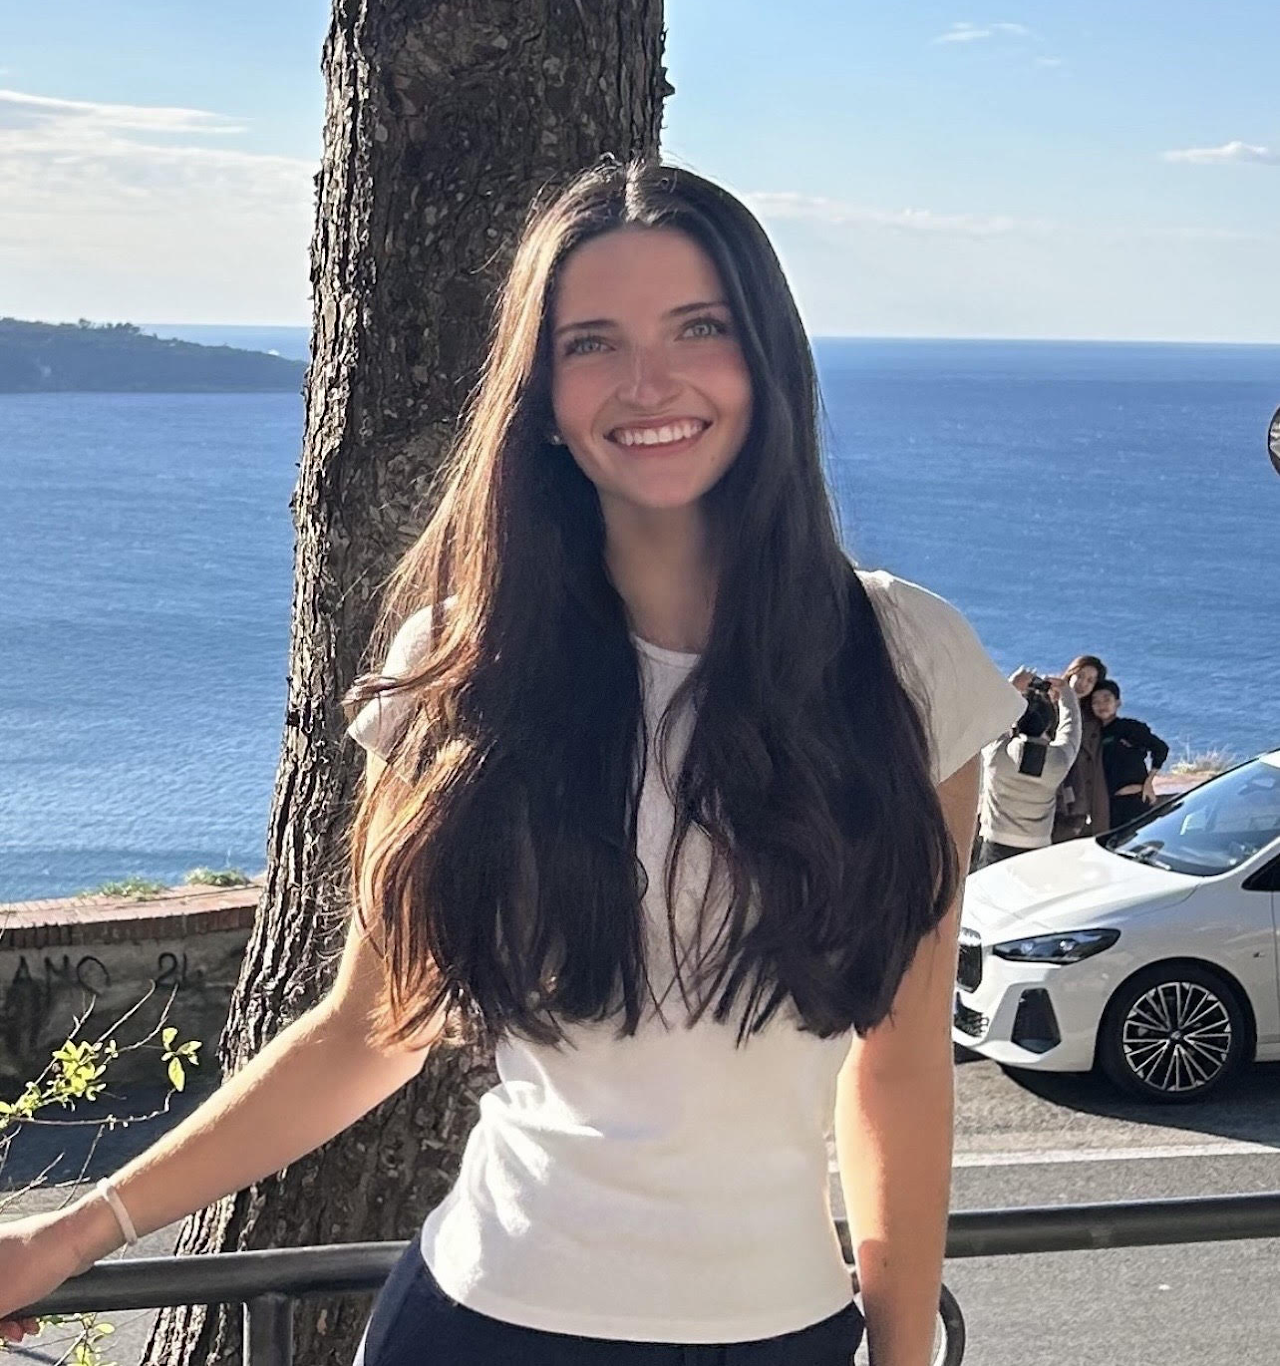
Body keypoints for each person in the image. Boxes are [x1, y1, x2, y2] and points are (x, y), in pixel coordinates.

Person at [0, 161, 1025, 1366]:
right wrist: (69, 1236)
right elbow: (369, 1027)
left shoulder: (906, 664)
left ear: (766, 356)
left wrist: (901, 1354)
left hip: (782, 1335)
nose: (648, 382)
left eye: (697, 326)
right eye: (592, 343)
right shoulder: (458, 671)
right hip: (483, 1323)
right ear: (539, 396)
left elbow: (899, 1063)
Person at [973, 669, 1082, 868]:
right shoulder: (1058, 760)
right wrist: (1067, 693)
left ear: (1017, 721)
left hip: (995, 842)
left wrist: (1013, 685)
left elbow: (991, 718)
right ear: (1049, 723)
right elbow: (1072, 727)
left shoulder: (997, 753)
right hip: (1037, 847)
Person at [1091, 679, 1170, 831]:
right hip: (1109, 806)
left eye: (1107, 699)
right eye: (1096, 701)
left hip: (1134, 801)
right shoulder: (1093, 735)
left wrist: (1149, 781)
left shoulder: (1129, 728)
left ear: (1118, 703)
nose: (1101, 705)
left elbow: (1160, 748)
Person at [1051, 653, 1110, 843]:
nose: (1083, 683)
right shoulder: (1048, 704)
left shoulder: (1092, 720)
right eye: (1081, 676)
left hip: (1075, 803)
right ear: (1071, 673)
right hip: (1045, 793)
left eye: (1091, 681)